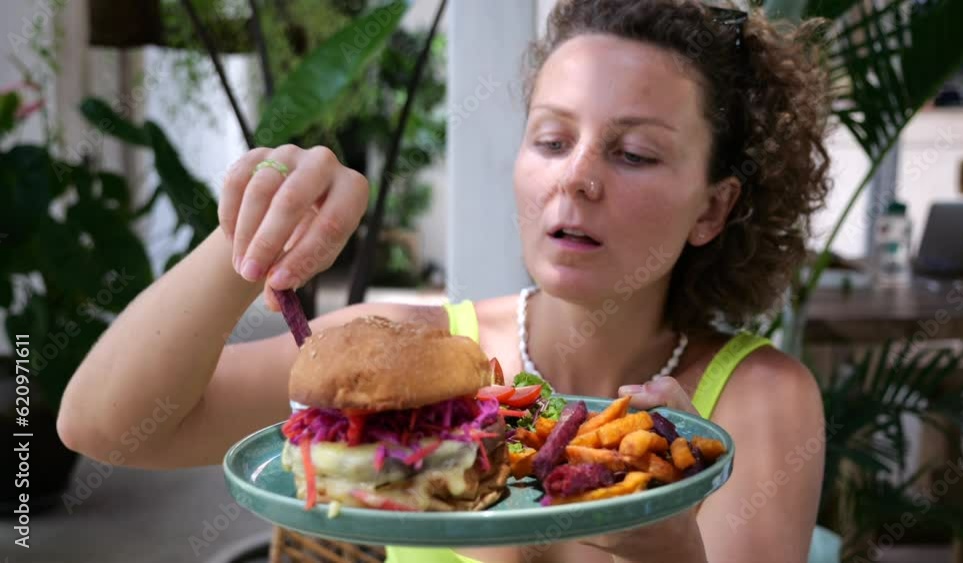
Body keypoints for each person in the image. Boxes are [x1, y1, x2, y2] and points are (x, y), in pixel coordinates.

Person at [58, 0, 834, 561]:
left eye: (634, 153)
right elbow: (103, 426)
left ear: (713, 206)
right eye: (552, 139)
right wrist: (247, 237)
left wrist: (671, 550)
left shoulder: (760, 400)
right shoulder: (411, 360)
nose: (576, 178)